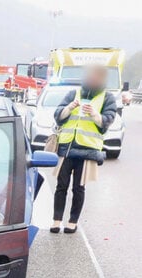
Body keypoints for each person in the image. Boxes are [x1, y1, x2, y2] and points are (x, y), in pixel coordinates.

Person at [51, 64, 118, 233]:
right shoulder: (74, 94)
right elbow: (58, 115)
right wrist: (70, 107)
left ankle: (72, 221)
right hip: (66, 147)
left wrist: (95, 114)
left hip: (87, 149)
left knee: (78, 188)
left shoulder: (107, 97)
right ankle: (56, 220)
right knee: (61, 186)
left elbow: (107, 121)